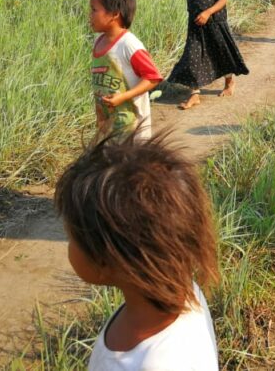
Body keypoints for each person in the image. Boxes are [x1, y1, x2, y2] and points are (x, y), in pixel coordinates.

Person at [54, 132, 219, 371]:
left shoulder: (158, 364)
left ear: (108, 261)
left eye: (71, 238)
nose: (69, 247)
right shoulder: (182, 289)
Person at [168, 0, 248, 110]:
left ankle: (229, 82)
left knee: (221, 53)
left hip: (215, 22)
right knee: (192, 56)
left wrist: (208, 12)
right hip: (195, 23)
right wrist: (197, 14)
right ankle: (195, 93)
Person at [88, 0, 164, 142]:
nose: (90, 15)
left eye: (94, 10)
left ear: (114, 14)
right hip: (109, 128)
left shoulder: (129, 44)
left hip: (133, 129)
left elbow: (152, 78)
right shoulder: (98, 41)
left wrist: (124, 97)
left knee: (132, 167)